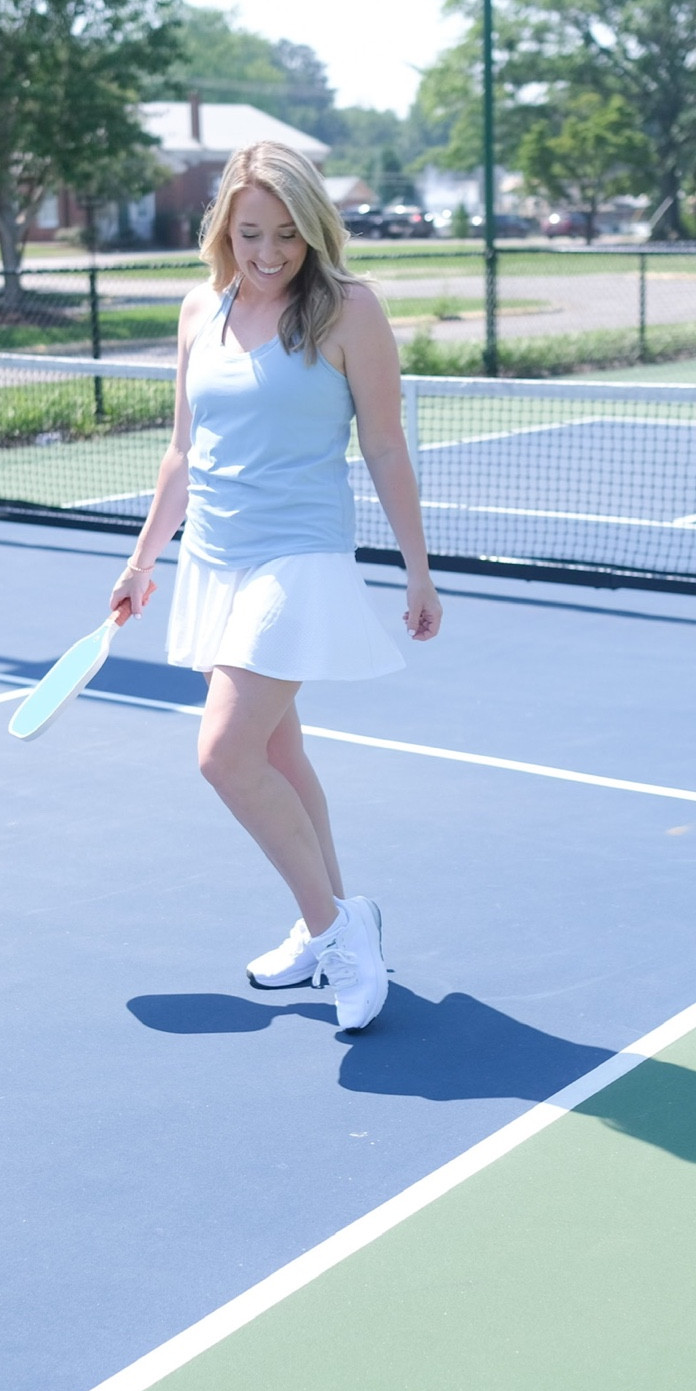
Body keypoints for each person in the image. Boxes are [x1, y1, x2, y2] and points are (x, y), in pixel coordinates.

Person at [109, 142, 441, 1032]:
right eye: (253, 232)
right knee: (281, 757)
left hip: (301, 559)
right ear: (224, 225)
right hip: (216, 561)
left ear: (315, 230)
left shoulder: (349, 312)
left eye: (290, 235)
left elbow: (383, 447)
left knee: (223, 754)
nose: (270, 252)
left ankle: (338, 937)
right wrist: (144, 560)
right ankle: (333, 916)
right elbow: (183, 452)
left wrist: (416, 567)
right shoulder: (198, 311)